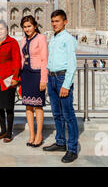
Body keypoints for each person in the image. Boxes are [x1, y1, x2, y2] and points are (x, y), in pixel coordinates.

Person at [43, 10, 79, 163]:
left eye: (57, 21)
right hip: (52, 78)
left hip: (62, 78)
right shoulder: (54, 38)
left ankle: (72, 148)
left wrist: (66, 85)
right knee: (57, 114)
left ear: (65, 21)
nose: (54, 24)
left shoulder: (68, 39)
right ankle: (60, 142)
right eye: (52, 21)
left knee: (68, 115)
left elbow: (72, 64)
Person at [19, 15, 48, 148]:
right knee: (28, 106)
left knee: (38, 106)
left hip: (36, 74)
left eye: (29, 26)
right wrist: (19, 78)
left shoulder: (41, 38)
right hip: (26, 75)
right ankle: (31, 135)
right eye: (25, 27)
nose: (27, 29)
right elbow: (21, 58)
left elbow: (44, 60)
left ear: (35, 26)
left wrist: (43, 79)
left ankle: (39, 135)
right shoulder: (23, 40)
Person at [0, 20, 21, 143]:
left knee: (8, 106)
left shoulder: (12, 42)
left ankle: (9, 132)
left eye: (2, 28)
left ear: (7, 29)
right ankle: (3, 131)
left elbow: (17, 60)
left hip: (8, 78)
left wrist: (15, 78)